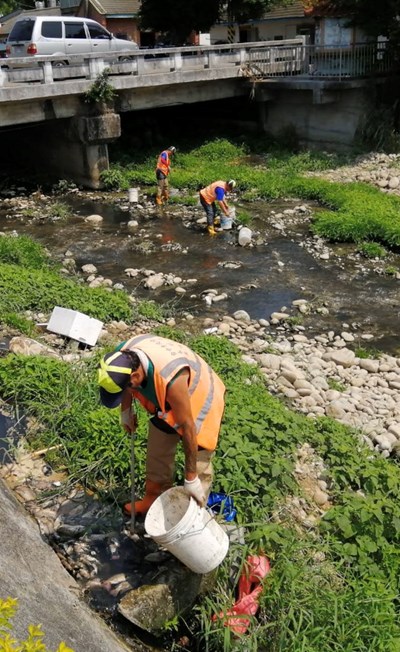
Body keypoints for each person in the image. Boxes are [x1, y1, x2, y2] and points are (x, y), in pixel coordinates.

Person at [98, 333, 226, 516]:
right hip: (164, 396)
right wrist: (125, 411)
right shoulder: (121, 358)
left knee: (199, 461)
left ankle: (192, 516)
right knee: (159, 445)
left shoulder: (170, 378)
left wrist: (190, 478)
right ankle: (153, 500)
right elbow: (125, 385)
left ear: (135, 375)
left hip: (200, 397)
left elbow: (188, 425)